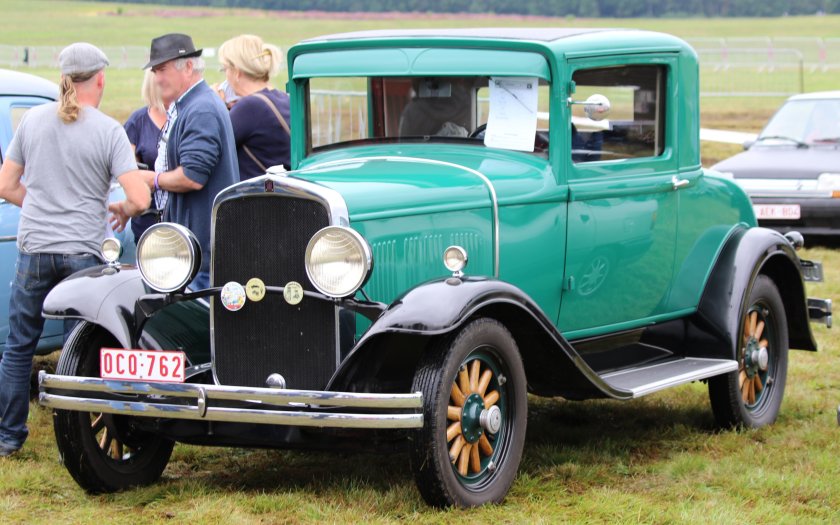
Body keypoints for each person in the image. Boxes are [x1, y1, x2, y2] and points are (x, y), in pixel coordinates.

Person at [0, 43, 150, 457]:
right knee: (77, 351)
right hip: (82, 252)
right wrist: (121, 208)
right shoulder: (108, 131)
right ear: (100, 79)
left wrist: (38, 205)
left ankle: (8, 437)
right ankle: (76, 439)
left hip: (34, 247)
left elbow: (6, 185)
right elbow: (139, 198)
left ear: (64, 77)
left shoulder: (32, 121)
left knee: (19, 345)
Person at [143, 33, 239, 290]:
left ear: (188, 66)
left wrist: (153, 180)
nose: (157, 78)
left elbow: (192, 177)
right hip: (198, 249)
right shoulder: (195, 104)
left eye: (162, 69)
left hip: (201, 254)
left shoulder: (201, 109)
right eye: (155, 71)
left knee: (196, 316)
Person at [217, 34, 290, 180]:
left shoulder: (249, 107)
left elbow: (213, 147)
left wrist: (217, 106)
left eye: (225, 69)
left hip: (255, 192)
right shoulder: (283, 98)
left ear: (237, 72)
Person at [124, 70, 174, 241]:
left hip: (181, 215)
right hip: (148, 219)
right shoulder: (137, 122)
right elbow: (127, 172)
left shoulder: (185, 116)